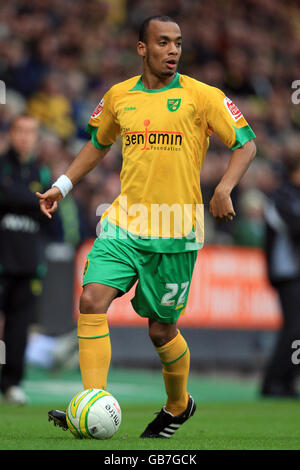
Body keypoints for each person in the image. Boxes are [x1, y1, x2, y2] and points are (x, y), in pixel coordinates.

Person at [37, 16, 256, 437]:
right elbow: (98, 143)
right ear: (142, 48)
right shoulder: (120, 96)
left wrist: (225, 188)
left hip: (177, 230)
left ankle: (178, 404)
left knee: (161, 329)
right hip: (125, 223)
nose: (173, 50)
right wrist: (62, 186)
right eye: (162, 42)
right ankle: (91, 401)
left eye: (177, 43)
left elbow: (246, 144)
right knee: (92, 298)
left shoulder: (202, 95)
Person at [0, 114, 51, 404]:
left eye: (31, 132)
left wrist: (17, 199)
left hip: (28, 261)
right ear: (11, 133)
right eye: (20, 131)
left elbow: (50, 212)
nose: (25, 137)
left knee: (19, 327)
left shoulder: (42, 172)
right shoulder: (2, 165)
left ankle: (11, 384)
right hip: (2, 258)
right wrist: (34, 201)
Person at [261, 149, 300, 398]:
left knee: (297, 329)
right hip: (288, 271)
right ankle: (272, 382)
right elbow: (295, 227)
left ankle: (287, 381)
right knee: (293, 328)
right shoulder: (280, 197)